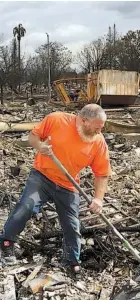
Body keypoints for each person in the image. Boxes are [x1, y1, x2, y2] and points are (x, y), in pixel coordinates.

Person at [0, 104, 111, 275]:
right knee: (26, 207)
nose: (99, 131)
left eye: (101, 128)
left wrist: (98, 199)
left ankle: (71, 262)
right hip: (42, 176)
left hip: (68, 184)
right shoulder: (56, 119)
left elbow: (102, 173)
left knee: (72, 225)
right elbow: (32, 137)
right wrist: (40, 146)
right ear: (83, 120)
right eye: (97, 127)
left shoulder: (98, 141)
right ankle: (6, 243)